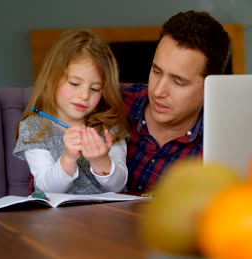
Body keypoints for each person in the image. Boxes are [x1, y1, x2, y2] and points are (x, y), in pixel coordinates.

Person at [121, 10, 232, 194]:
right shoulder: (109, 100)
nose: (158, 91)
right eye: (156, 71)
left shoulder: (220, 148)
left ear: (211, 85)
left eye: (178, 81)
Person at [13, 29, 129, 194]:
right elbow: (46, 188)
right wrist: (68, 158)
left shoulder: (109, 126)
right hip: (58, 218)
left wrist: (101, 160)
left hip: (108, 215)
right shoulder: (34, 129)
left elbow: (118, 185)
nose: (84, 95)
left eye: (95, 89)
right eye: (75, 83)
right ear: (51, 79)